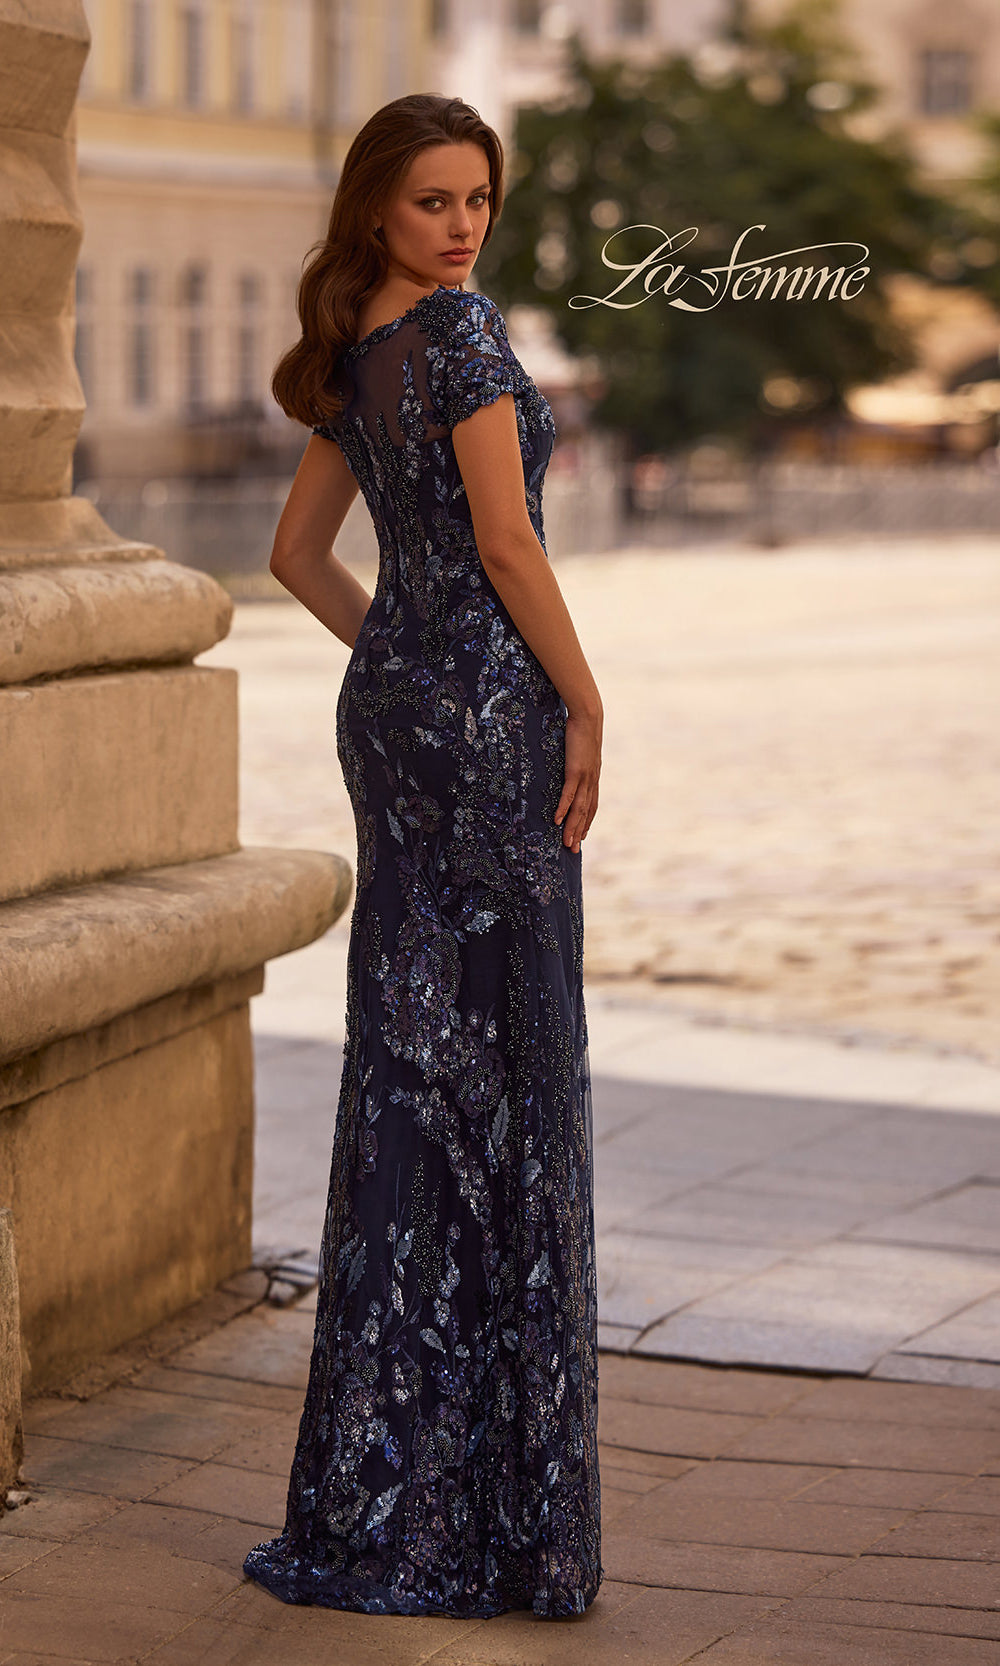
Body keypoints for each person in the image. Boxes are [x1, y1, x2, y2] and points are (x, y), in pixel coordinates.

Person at [243, 92, 604, 1620]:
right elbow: (507, 543)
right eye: (432, 201)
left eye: (478, 200)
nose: (462, 228)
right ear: (376, 210)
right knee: (508, 1077)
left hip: (393, 721)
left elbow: (297, 558)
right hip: (490, 730)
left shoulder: (359, 348)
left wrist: (400, 658)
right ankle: (489, 1521)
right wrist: (582, 699)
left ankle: (375, 1496)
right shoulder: (456, 336)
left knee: (409, 1072)